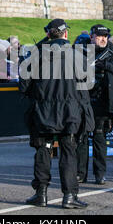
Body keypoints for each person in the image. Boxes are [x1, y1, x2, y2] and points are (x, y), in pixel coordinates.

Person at [19, 18, 94, 209]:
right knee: (68, 152)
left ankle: (41, 194)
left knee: (43, 151)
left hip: (43, 111)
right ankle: (69, 196)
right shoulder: (77, 55)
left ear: (48, 34)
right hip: (70, 112)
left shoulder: (36, 56)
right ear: (66, 34)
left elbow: (24, 86)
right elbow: (87, 84)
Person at [76, 24, 113, 185]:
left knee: (99, 137)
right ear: (92, 36)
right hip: (84, 99)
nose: (103, 38)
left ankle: (100, 174)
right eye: (99, 36)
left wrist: (106, 65)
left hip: (103, 100)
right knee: (82, 138)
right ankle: (80, 174)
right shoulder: (81, 50)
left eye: (105, 36)